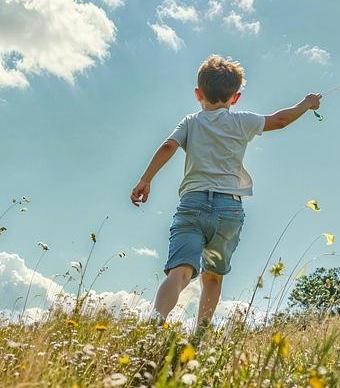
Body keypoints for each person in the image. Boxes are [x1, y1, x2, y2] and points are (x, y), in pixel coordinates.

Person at [130, 54, 321, 332]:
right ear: (236, 97)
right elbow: (280, 120)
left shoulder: (191, 122)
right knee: (213, 278)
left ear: (198, 94)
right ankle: (201, 334)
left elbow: (168, 147)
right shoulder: (243, 121)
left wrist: (145, 180)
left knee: (180, 271)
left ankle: (156, 319)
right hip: (229, 210)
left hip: (192, 204)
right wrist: (307, 104)